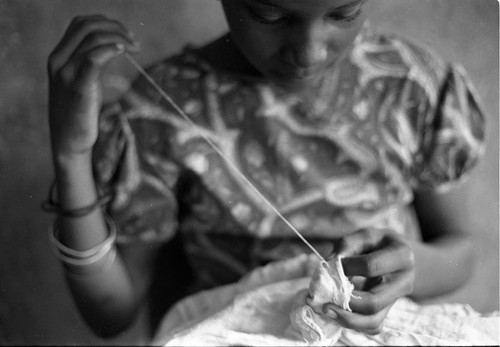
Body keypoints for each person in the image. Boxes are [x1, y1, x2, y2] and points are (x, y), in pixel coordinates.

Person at [45, 0, 486, 341]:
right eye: (270, 15)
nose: (309, 51)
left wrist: (410, 267)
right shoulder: (160, 112)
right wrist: (71, 157)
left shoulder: (409, 87)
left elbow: (459, 252)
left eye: (344, 13)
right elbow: (111, 314)